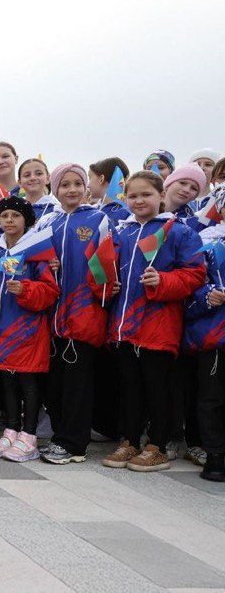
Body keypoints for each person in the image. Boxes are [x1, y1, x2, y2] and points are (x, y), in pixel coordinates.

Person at [102, 171, 206, 472]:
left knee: (158, 388)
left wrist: (163, 280)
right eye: (133, 196)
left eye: (146, 194)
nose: (139, 201)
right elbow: (104, 268)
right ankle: (130, 440)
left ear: (161, 195)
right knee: (129, 387)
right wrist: (107, 285)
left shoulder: (179, 231)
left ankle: (158, 446)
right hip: (123, 325)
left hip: (157, 325)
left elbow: (195, 274)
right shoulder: (121, 232)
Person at [39, 163, 111, 464]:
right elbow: (33, 261)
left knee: (77, 386)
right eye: (65, 184)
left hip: (84, 315)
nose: (72, 189)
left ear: (86, 187)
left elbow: (107, 265)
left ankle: (74, 444)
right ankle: (60, 436)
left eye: (78, 184)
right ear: (55, 189)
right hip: (52, 317)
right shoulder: (47, 223)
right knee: (54, 386)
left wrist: (105, 289)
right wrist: (46, 265)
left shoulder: (99, 219)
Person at [0, 197, 59, 463]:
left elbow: (49, 291)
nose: (9, 220)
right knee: (8, 381)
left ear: (26, 220)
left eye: (15, 215)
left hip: (27, 329)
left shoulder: (36, 250)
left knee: (28, 383)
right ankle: (11, 430)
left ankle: (30, 435)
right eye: (4, 216)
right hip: (1, 328)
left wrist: (26, 289)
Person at [185, 218, 225, 481]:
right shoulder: (207, 240)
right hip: (215, 335)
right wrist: (208, 294)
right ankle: (215, 454)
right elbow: (191, 282)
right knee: (212, 397)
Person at [88, 157, 131, 226]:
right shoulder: (91, 210)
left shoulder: (127, 213)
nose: (88, 185)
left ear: (101, 179)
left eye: (90, 178)